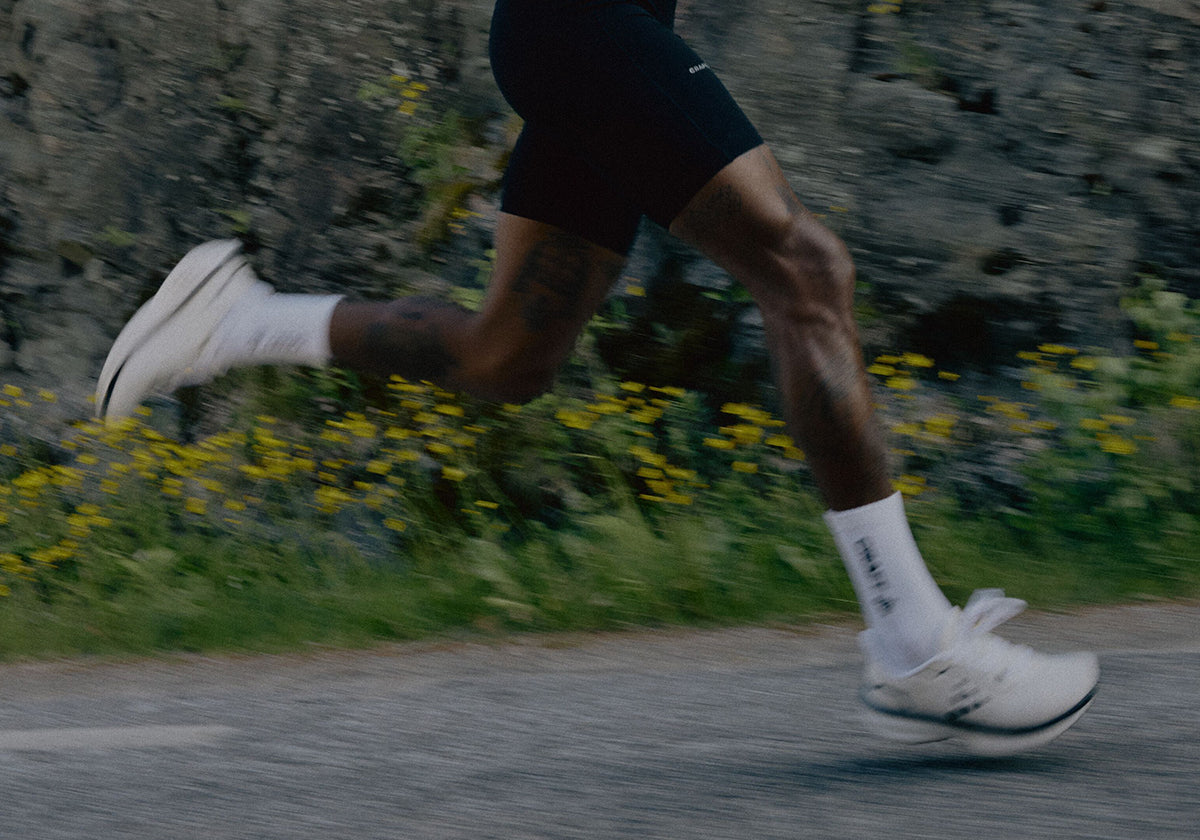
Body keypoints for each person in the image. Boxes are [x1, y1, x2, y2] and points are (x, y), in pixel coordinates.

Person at [95, 0, 1098, 755]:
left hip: (586, 38)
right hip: (583, 27)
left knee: (508, 357)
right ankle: (916, 646)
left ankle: (237, 319)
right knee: (804, 272)